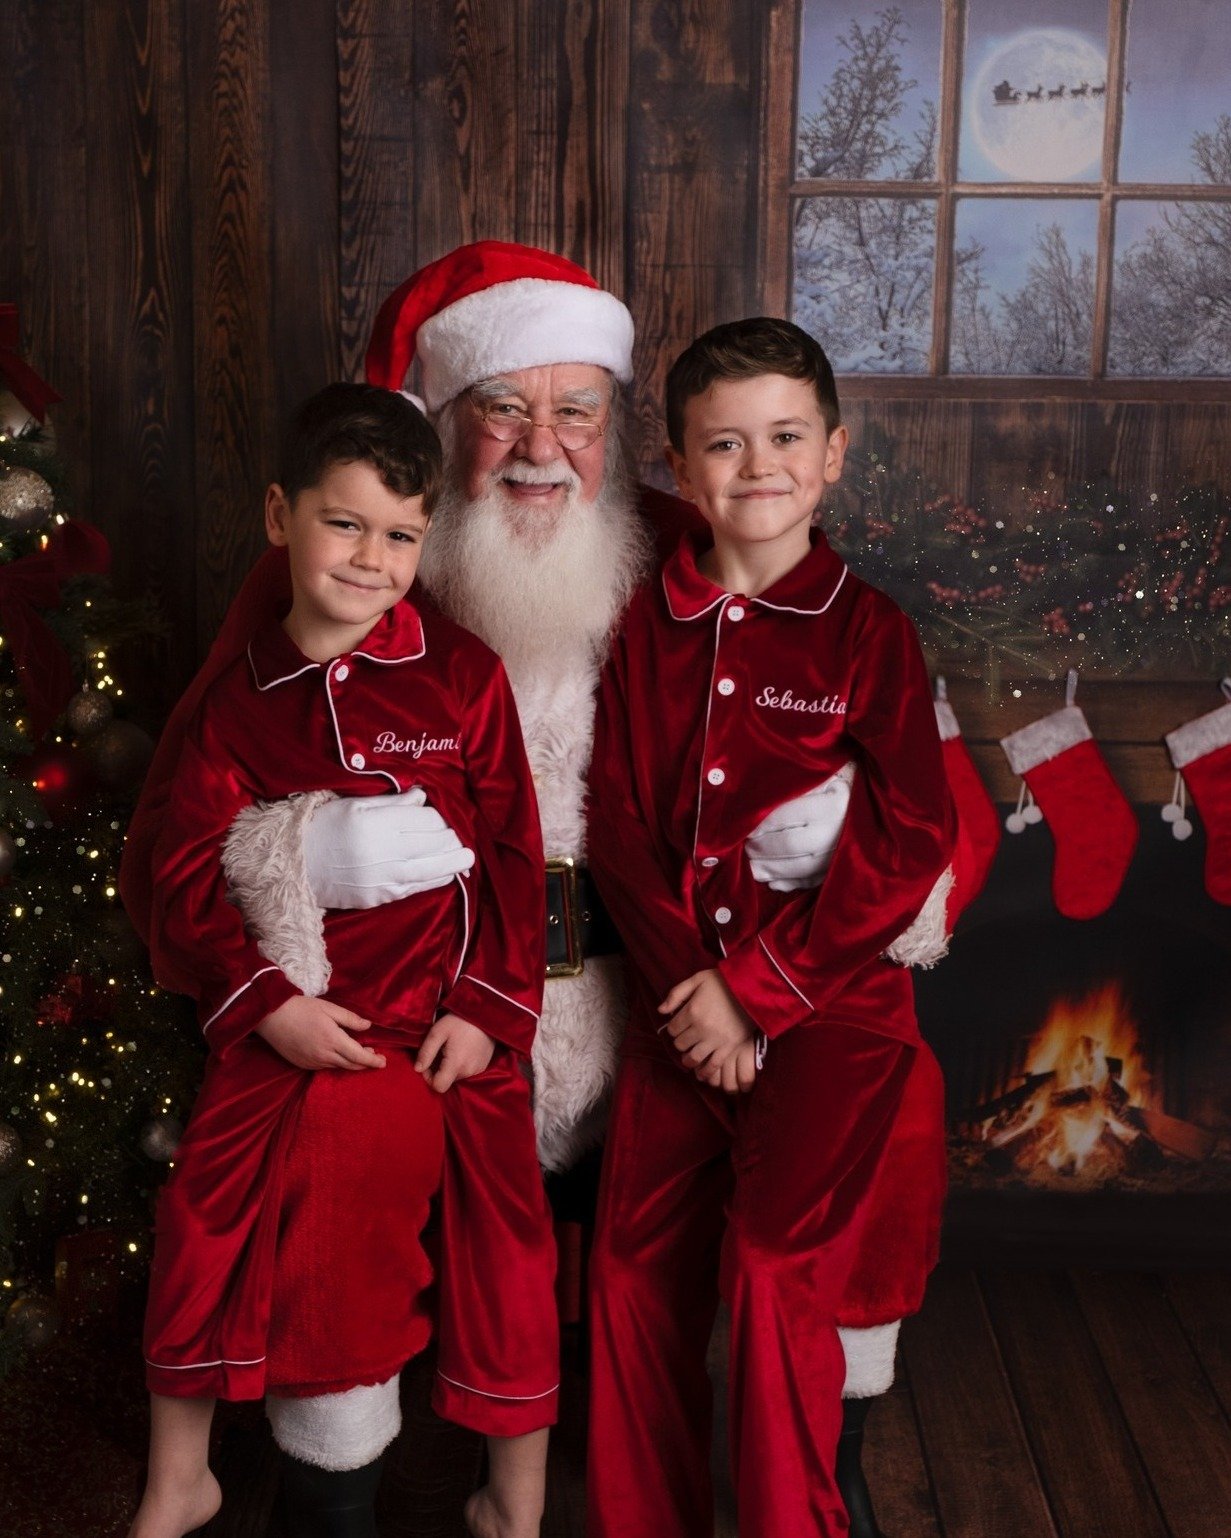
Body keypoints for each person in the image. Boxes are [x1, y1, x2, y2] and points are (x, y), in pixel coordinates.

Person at [120, 242, 950, 1536]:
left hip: (662, 1001)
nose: (539, 444)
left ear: (628, 438)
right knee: (352, 1158)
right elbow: (167, 844)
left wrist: (857, 851)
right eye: (503, 406)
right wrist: (292, 856)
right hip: (420, 999)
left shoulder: (691, 543)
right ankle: (341, 1482)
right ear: (441, 426)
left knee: (882, 1109)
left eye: (576, 409)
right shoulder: (343, 578)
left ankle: (820, 1472)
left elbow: (915, 779)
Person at [126, 384, 555, 1538]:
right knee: (204, 1201)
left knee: (507, 1243)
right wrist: (268, 1007)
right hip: (314, 1023)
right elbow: (184, 875)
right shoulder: (238, 704)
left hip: (455, 1027)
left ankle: (515, 1498)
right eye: (345, 523)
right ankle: (182, 1476)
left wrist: (488, 1006)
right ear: (281, 515)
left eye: (401, 535)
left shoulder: (460, 675)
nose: (372, 559)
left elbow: (518, 850)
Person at [583, 317, 957, 1538]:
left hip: (835, 1012)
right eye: (724, 445)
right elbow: (623, 828)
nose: (759, 467)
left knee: (766, 1266)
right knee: (633, 1270)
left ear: (835, 453)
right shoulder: (648, 624)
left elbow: (908, 838)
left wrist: (762, 986)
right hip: (677, 1011)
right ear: (682, 472)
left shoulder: (869, 632)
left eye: (786, 437)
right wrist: (696, 988)